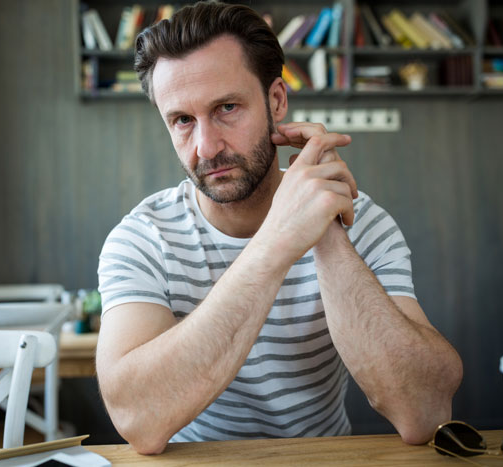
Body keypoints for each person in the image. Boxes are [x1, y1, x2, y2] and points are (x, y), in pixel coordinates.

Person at [96, 2, 463, 455]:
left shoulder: (359, 221)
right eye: (182, 121)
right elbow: (138, 420)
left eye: (227, 107)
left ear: (276, 100)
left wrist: (325, 229)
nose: (206, 147)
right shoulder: (142, 239)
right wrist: (276, 243)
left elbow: (424, 412)